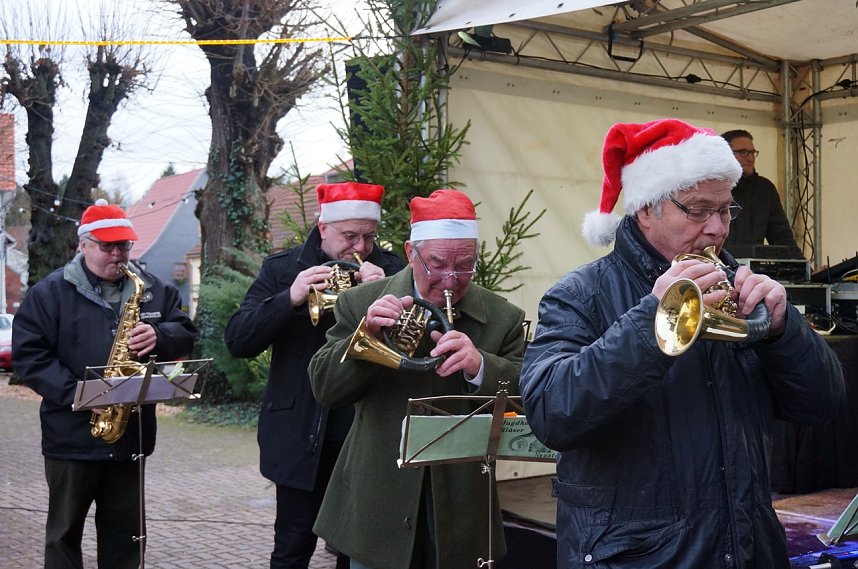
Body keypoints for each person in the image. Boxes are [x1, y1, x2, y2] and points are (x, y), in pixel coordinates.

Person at [520, 119, 844, 569]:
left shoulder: (739, 289)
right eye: (697, 210)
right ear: (646, 208)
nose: (716, 229)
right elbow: (552, 413)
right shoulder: (580, 295)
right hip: (637, 557)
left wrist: (783, 330)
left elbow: (823, 405)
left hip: (747, 549)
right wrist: (652, 322)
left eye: (725, 210)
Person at [309, 189, 526, 569]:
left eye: (465, 266)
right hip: (378, 494)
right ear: (411, 253)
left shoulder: (502, 316)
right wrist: (367, 338)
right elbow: (325, 389)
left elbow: (531, 395)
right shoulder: (360, 302)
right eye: (437, 264)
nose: (450, 280)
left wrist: (481, 367)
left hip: (463, 498)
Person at [224, 182, 405, 569]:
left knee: (354, 547)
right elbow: (238, 340)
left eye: (369, 236)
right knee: (292, 546)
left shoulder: (390, 270)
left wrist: (384, 291)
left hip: (362, 428)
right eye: (350, 236)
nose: (359, 247)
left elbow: (410, 348)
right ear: (323, 228)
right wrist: (288, 299)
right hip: (299, 429)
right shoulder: (284, 268)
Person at [12, 199, 197, 569]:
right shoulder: (48, 293)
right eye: (106, 246)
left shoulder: (152, 289)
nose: (117, 255)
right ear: (83, 245)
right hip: (71, 440)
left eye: (123, 246)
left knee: (126, 538)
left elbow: (187, 332)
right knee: (63, 536)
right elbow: (29, 358)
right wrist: (79, 393)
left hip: (131, 436)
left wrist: (160, 336)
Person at [721, 129, 804, 259]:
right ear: (726, 154)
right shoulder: (714, 188)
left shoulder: (765, 189)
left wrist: (807, 271)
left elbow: (782, 237)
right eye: (743, 152)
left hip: (754, 273)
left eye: (753, 153)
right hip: (718, 267)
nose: (750, 158)